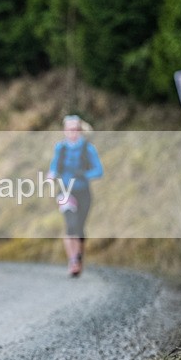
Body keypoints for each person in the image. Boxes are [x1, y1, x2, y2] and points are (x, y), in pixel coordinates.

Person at [47, 115, 103, 277]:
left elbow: (99, 171)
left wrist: (84, 174)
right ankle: (73, 261)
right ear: (64, 131)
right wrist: (51, 176)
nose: (73, 132)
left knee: (79, 228)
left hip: (83, 192)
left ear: (80, 130)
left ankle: (79, 258)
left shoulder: (88, 149)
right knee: (71, 225)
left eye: (76, 129)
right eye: (69, 129)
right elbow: (54, 166)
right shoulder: (60, 148)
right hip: (65, 191)